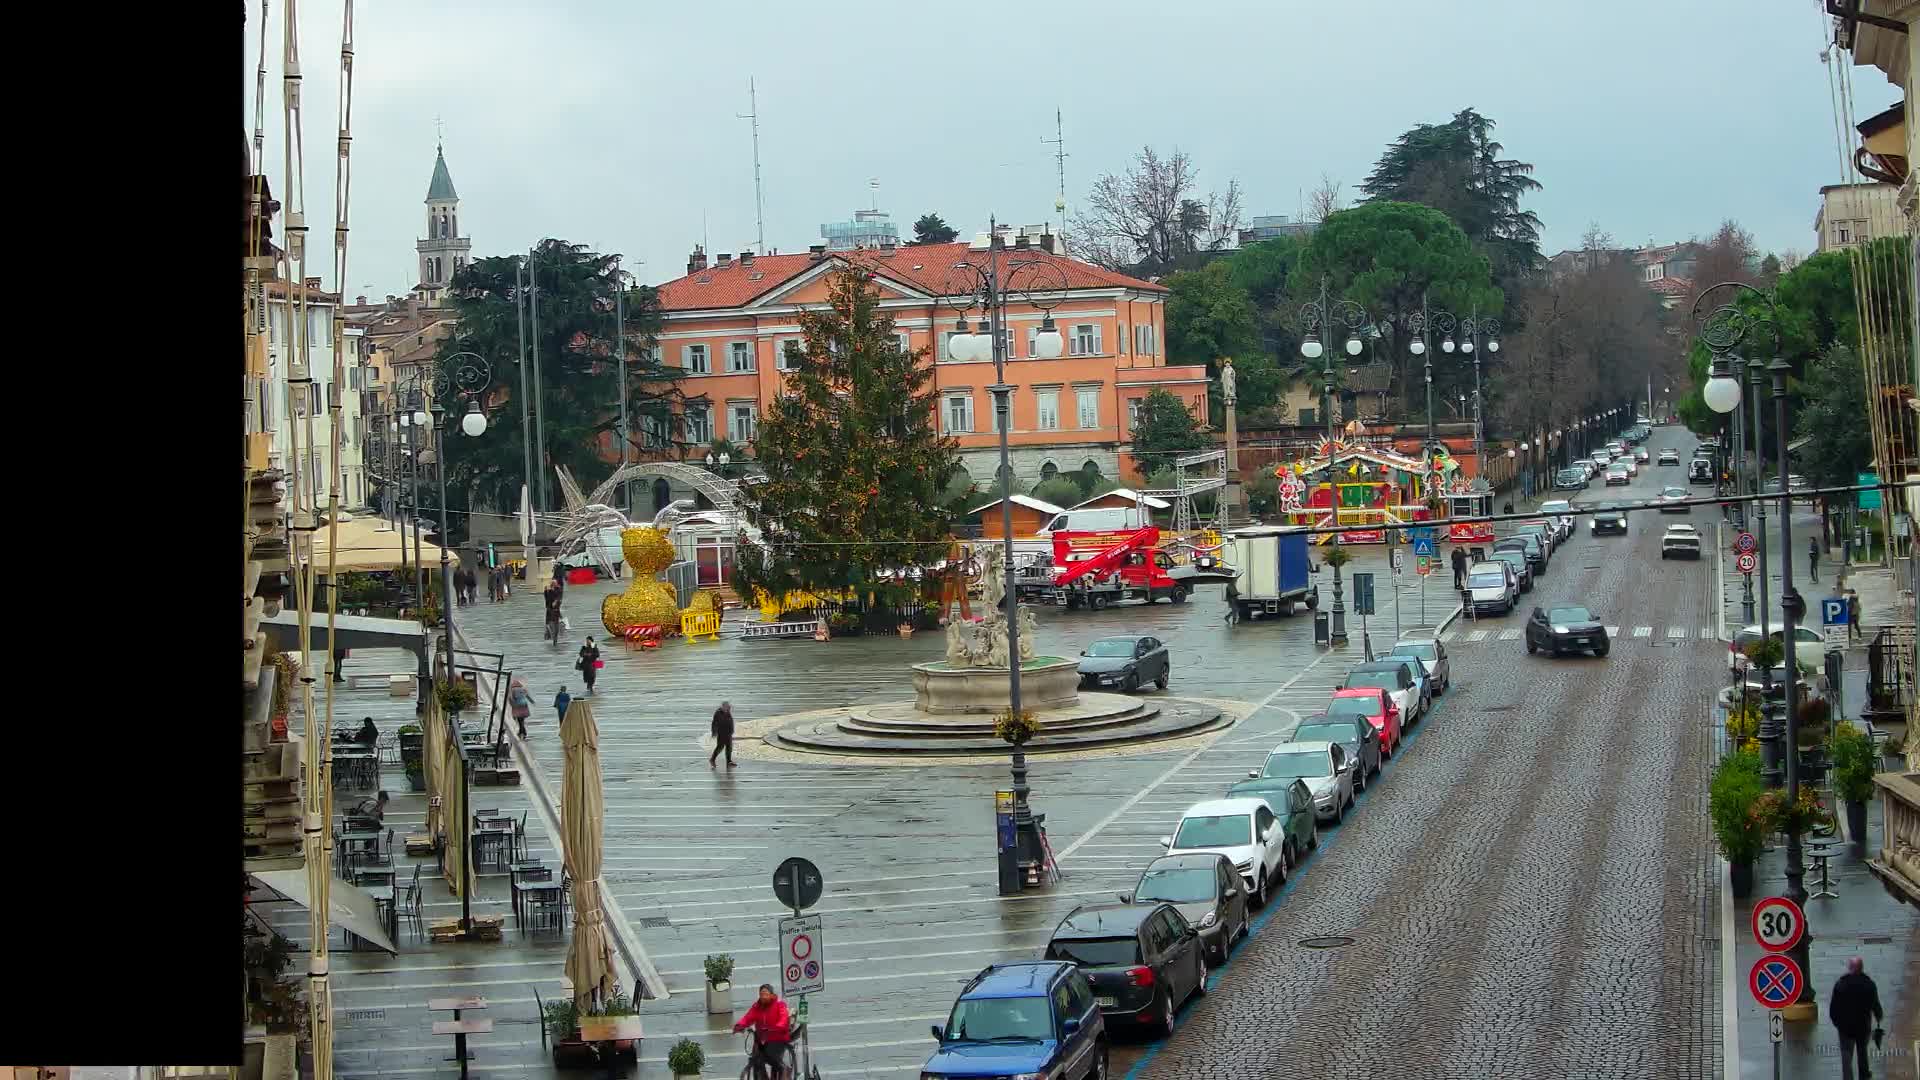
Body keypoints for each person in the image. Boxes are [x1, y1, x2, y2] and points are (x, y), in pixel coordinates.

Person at [1828, 956, 1884, 1080]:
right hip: (1863, 1026)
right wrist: (1878, 1016)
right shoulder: (1869, 984)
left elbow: (1833, 1008)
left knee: (1846, 1054)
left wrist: (1837, 1023)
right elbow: (1875, 1004)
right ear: (1861, 968)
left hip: (1845, 1028)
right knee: (1862, 1052)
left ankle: (1848, 1077)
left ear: (1850, 968)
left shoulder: (1841, 984)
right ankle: (1863, 1075)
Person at [731, 984, 791, 1080]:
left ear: (772, 995)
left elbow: (783, 1018)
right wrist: (739, 1026)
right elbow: (748, 1017)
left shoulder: (779, 1005)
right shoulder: (757, 1006)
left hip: (777, 1037)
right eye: (761, 994)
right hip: (762, 1038)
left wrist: (778, 1026)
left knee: (772, 1058)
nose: (763, 997)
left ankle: (783, 1069)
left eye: (766, 994)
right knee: (757, 1060)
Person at [711, 701, 736, 769]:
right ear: (723, 706)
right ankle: (712, 759)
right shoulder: (718, 713)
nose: (727, 708)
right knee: (720, 747)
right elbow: (714, 723)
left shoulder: (727, 712)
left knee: (729, 748)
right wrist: (714, 732)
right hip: (721, 733)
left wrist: (732, 730)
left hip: (728, 733)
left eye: (728, 707)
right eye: (726, 707)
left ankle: (729, 761)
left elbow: (730, 721)